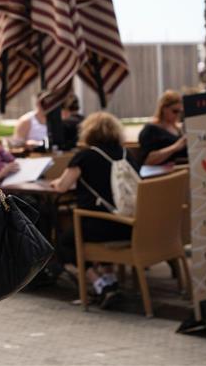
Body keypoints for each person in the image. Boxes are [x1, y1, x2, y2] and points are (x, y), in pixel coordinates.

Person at [51, 111, 138, 308]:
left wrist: (57, 182)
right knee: (87, 229)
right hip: (128, 223)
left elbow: (63, 187)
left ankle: (99, 285)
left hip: (98, 225)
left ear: (88, 132)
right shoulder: (127, 154)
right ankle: (111, 282)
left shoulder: (85, 156)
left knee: (65, 241)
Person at [139, 90, 187, 166]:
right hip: (165, 174)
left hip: (181, 169)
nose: (178, 115)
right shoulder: (151, 129)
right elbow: (147, 160)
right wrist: (175, 147)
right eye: (175, 111)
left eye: (180, 112)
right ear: (164, 108)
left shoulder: (177, 128)